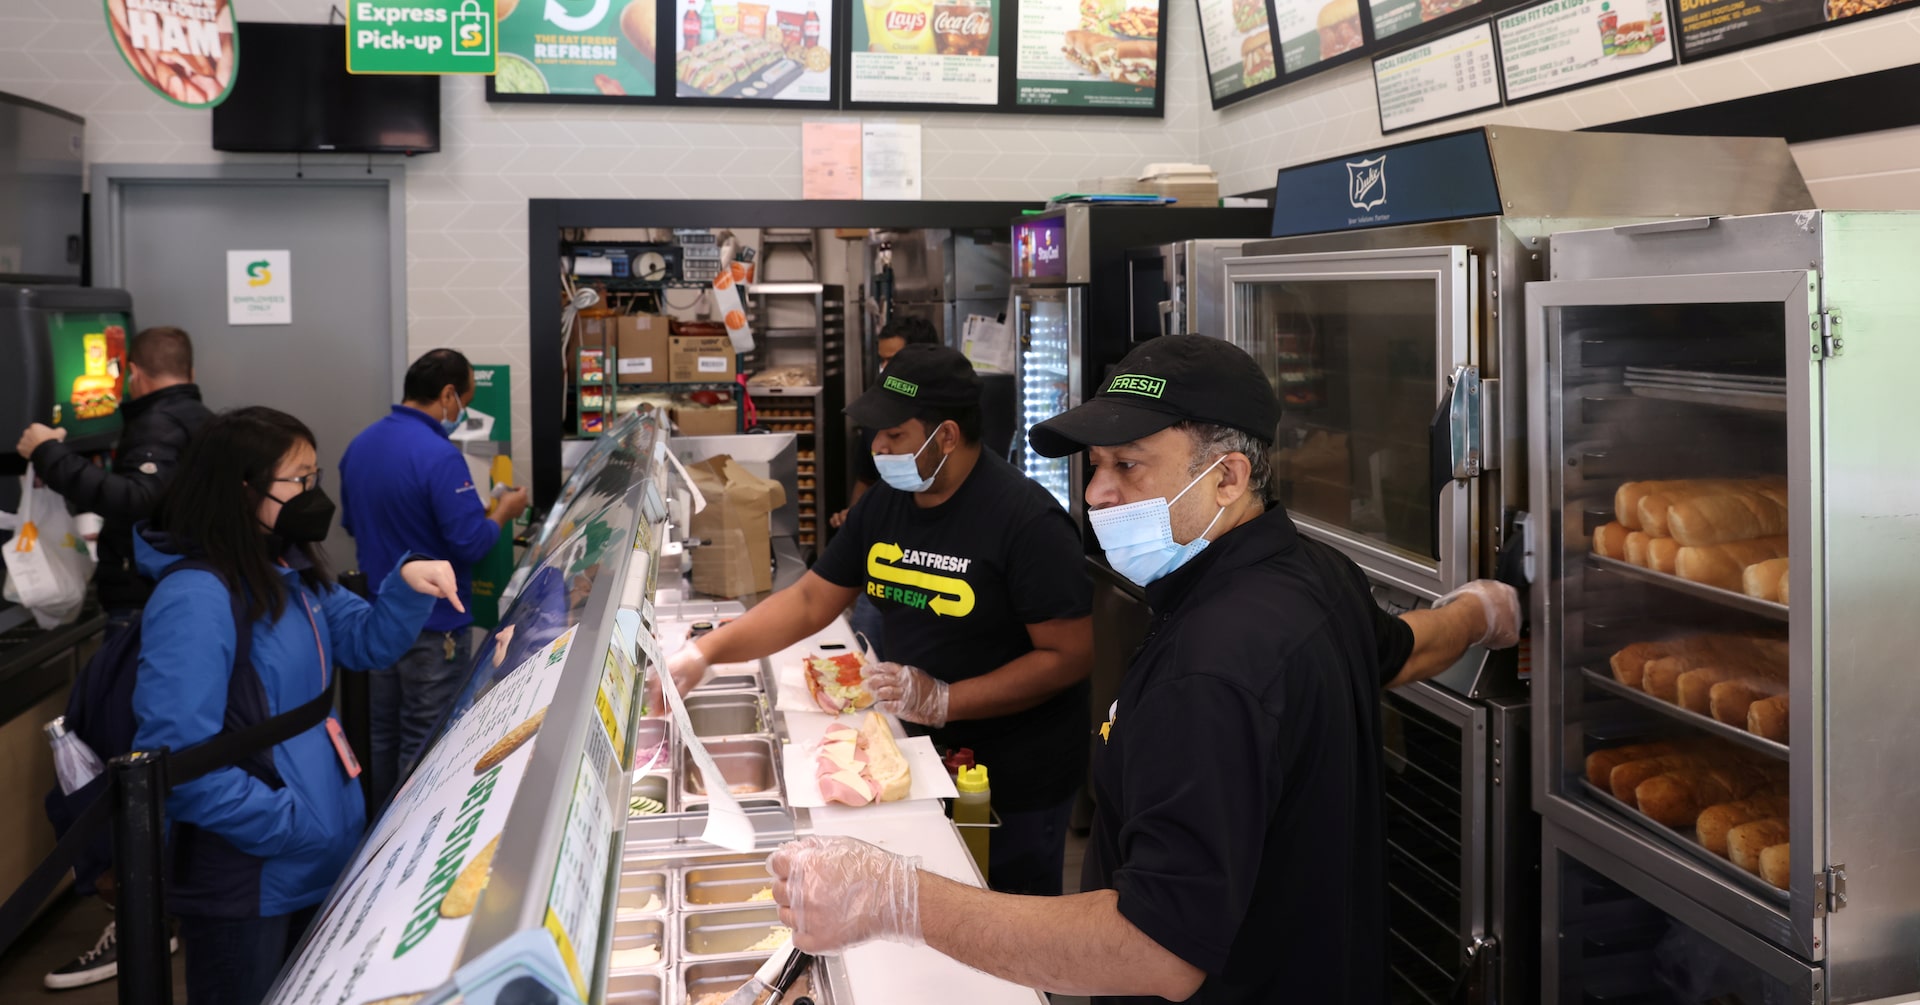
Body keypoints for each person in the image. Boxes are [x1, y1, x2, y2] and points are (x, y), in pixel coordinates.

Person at [765, 336, 1523, 1004]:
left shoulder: (1209, 668)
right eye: (1096, 466)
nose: (1097, 493)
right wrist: (1478, 611)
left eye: (1128, 465)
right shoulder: (1317, 573)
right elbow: (1402, 647)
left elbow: (1155, 947)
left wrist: (899, 900)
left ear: (1228, 477)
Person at [669, 345, 1094, 895]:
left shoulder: (1027, 521)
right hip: (915, 753)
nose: (878, 448)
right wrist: (706, 653)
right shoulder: (886, 504)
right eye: (875, 434)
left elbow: (1069, 656)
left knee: (1010, 921)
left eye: (894, 434)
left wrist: (948, 700)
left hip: (1013, 776)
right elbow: (810, 600)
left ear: (946, 436)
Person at [132, 407, 460, 1005]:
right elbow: (179, 763)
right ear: (244, 488)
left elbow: (366, 642)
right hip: (250, 878)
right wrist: (293, 826)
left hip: (314, 858)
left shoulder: (288, 569)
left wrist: (406, 585)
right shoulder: (195, 598)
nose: (313, 494)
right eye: (299, 479)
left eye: (316, 476)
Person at [15, 325, 211, 991]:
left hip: (146, 611)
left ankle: (139, 919)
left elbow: (136, 499)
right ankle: (158, 908)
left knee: (122, 761)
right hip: (173, 606)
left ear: (134, 376)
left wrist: (49, 454)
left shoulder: (158, 424)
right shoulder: (200, 419)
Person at [339, 349, 530, 808]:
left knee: (378, 736)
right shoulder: (440, 456)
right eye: (465, 400)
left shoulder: (360, 446)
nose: (463, 411)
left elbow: (351, 524)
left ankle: (374, 832)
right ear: (447, 395)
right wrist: (503, 513)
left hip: (376, 619)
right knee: (425, 742)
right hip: (435, 625)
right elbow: (470, 544)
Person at [832, 315, 940, 657]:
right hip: (885, 559)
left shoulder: (944, 421)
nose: (881, 445)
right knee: (865, 651)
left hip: (930, 571)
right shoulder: (878, 414)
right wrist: (855, 517)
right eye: (881, 360)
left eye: (892, 361)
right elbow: (867, 478)